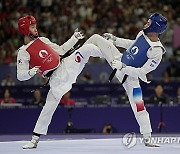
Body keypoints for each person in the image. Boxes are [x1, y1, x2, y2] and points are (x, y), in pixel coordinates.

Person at [17, 15, 121, 149]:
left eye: (35, 26)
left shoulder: (42, 40)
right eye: (32, 27)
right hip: (57, 79)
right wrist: (31, 72)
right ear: (25, 29)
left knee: (87, 48)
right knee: (48, 109)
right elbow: (20, 76)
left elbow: (60, 50)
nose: (35, 29)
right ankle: (34, 140)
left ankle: (116, 60)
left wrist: (73, 39)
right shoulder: (23, 52)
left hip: (66, 65)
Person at [85, 13, 167, 147]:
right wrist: (115, 39)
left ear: (156, 28)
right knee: (96, 38)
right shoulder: (142, 34)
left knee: (139, 107)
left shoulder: (156, 50)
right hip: (118, 60)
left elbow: (142, 72)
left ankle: (148, 138)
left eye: (149, 22)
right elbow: (132, 44)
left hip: (131, 79)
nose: (146, 24)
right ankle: (75, 58)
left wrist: (124, 67)